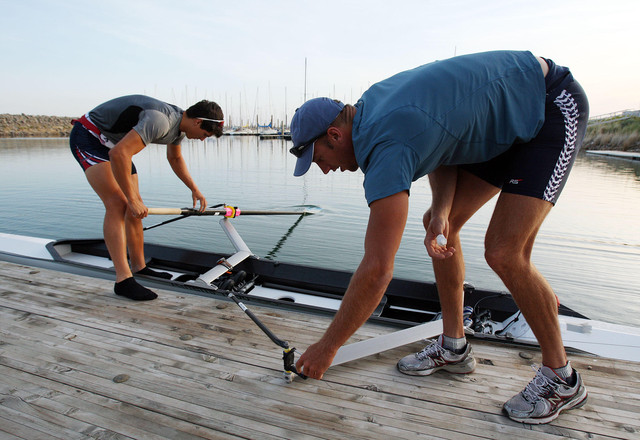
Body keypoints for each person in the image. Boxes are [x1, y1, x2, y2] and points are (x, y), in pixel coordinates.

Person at [289, 51, 589, 424]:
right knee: (440, 226)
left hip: (549, 104)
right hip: (501, 123)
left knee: (504, 252)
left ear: (335, 135)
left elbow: (378, 268)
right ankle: (454, 345)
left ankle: (562, 378)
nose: (324, 170)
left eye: (319, 159)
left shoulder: (386, 146)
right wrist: (443, 211)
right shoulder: (373, 109)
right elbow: (444, 145)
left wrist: (327, 348)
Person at [70, 95, 224, 301]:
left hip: (115, 146)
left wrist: (194, 189)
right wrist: (131, 199)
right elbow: (119, 154)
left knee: (135, 207)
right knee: (119, 203)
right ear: (197, 121)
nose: (203, 139)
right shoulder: (160, 120)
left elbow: (175, 157)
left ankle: (139, 267)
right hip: (89, 136)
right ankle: (123, 281)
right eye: (205, 134)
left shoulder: (180, 125)